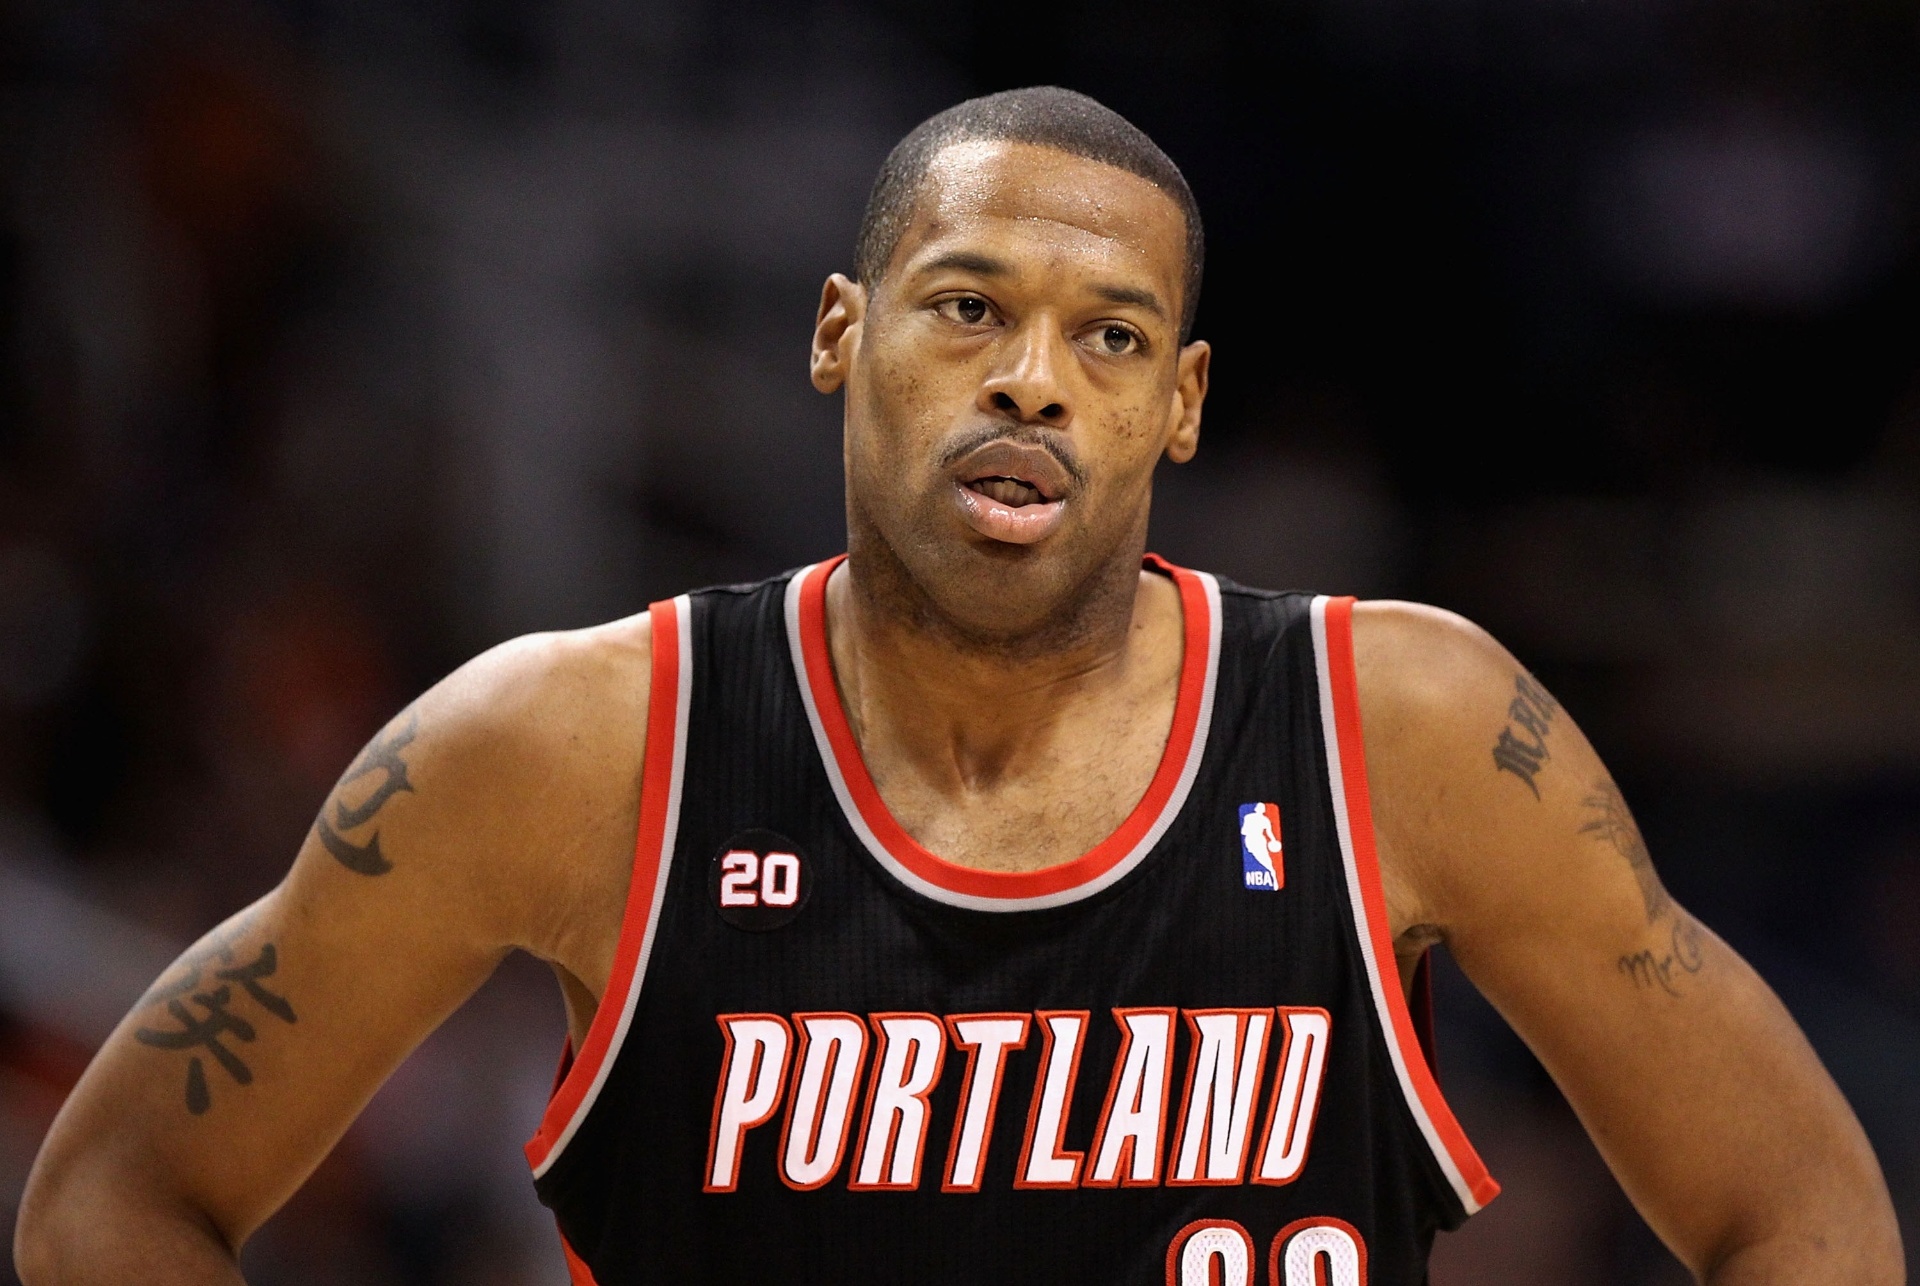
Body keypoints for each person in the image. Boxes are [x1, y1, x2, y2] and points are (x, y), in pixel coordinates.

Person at [14, 87, 1902, 1286]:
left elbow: (1804, 1212)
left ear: (1182, 403)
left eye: (1111, 336)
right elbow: (116, 1196)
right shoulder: (575, 743)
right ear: (844, 337)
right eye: (970, 305)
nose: (1033, 380)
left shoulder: (1403, 730)